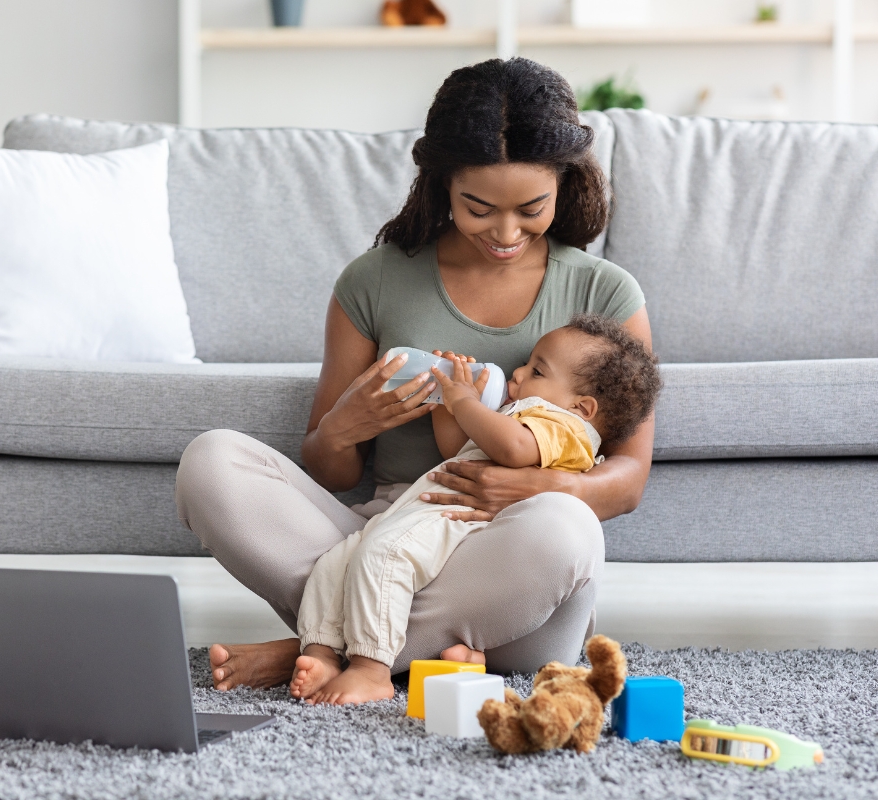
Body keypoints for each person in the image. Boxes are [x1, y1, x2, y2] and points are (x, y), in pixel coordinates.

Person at [175, 56, 654, 693]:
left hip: (513, 578)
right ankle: (401, 648)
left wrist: (535, 486)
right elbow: (329, 470)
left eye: (531, 208)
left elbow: (627, 480)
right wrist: (344, 429)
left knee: (567, 531)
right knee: (211, 461)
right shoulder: (375, 281)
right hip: (385, 532)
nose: (506, 232)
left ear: (565, 185)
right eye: (478, 208)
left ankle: (323, 649)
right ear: (440, 184)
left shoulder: (605, 293)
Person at [291, 315, 662, 704]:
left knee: (384, 557)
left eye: (536, 370)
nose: (518, 373)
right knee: (337, 562)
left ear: (582, 407)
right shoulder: (523, 416)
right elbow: (458, 452)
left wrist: (466, 401)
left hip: (459, 522)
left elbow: (514, 449)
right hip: (425, 514)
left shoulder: (567, 429)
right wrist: (446, 406)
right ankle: (320, 653)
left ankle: (371, 670)